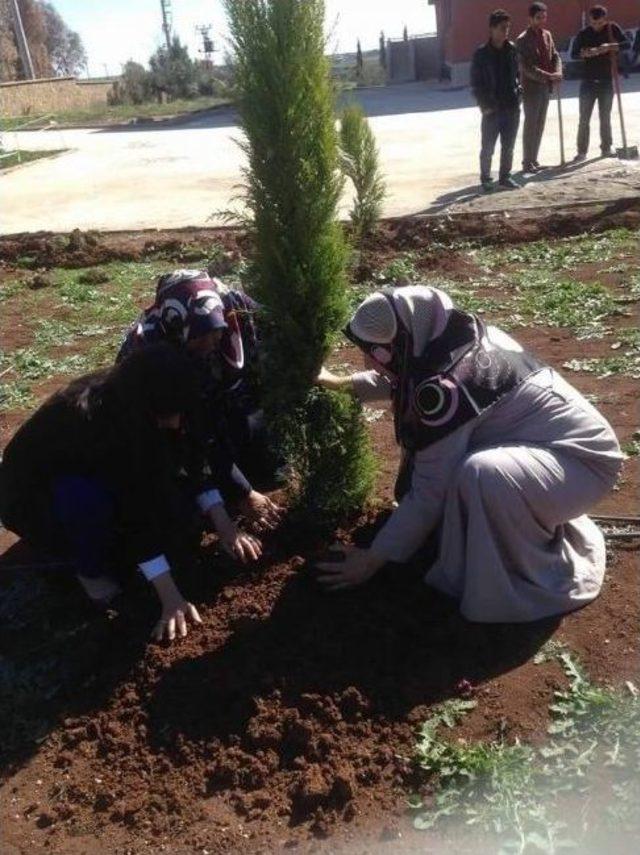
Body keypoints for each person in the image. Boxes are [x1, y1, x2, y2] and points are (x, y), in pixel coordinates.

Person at [316, 285, 623, 623]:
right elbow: (401, 379)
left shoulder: (445, 389)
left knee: (481, 474)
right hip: (551, 455)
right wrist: (341, 383)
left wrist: (373, 558)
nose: (368, 361)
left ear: (403, 340)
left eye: (376, 352)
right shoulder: (447, 335)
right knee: (469, 472)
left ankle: (515, 583)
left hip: (582, 463)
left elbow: (430, 492)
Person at [0, 345, 266, 642]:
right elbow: (136, 507)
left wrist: (225, 526)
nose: (177, 422)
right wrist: (171, 598)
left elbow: (193, 458)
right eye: (168, 415)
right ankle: (89, 573)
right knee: (88, 501)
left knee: (171, 509)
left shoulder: (163, 397)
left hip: (103, 471)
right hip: (34, 501)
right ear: (145, 406)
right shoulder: (101, 424)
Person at [118, 269, 277, 485]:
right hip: (168, 425)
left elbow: (280, 335)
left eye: (216, 331)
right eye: (199, 337)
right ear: (178, 329)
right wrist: (239, 493)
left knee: (259, 440)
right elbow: (183, 429)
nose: (211, 342)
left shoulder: (234, 307)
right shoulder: (148, 349)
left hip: (227, 404)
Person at [470, 9, 522, 192]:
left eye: (508, 28)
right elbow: (475, 84)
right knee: (488, 148)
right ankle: (486, 179)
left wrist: (519, 95)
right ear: (492, 29)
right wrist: (484, 105)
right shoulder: (481, 54)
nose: (506, 31)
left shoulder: (512, 49)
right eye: (502, 28)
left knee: (508, 146)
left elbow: (518, 75)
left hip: (511, 106)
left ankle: (505, 177)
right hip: (492, 108)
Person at [570, 5, 630, 161]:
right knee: (584, 118)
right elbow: (574, 53)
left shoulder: (612, 29)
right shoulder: (584, 33)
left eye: (600, 23)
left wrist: (610, 47)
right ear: (590, 20)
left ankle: (606, 148)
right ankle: (581, 151)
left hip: (606, 81)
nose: (596, 26)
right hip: (588, 81)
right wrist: (586, 53)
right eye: (593, 23)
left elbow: (627, 44)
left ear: (605, 19)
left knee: (605, 116)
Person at [516, 2, 562, 174]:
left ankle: (534, 159)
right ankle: (526, 162)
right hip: (531, 88)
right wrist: (548, 76)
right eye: (538, 18)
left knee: (540, 124)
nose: (542, 20)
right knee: (531, 124)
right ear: (530, 18)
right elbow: (526, 68)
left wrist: (557, 72)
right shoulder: (522, 40)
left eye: (544, 17)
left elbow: (555, 55)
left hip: (546, 87)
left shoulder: (547, 35)